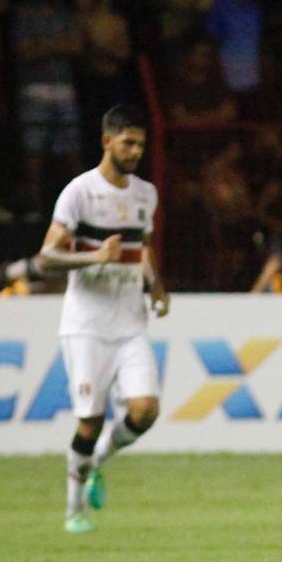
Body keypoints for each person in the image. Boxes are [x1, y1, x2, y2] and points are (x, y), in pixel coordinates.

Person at [35, 105, 170, 534]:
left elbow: (142, 246)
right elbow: (46, 256)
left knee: (146, 410)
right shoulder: (79, 192)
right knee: (89, 420)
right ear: (106, 141)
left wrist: (156, 285)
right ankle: (74, 509)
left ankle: (96, 463)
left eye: (140, 144)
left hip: (130, 322)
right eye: (127, 142)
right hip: (87, 325)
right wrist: (93, 255)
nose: (135, 151)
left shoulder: (145, 194)